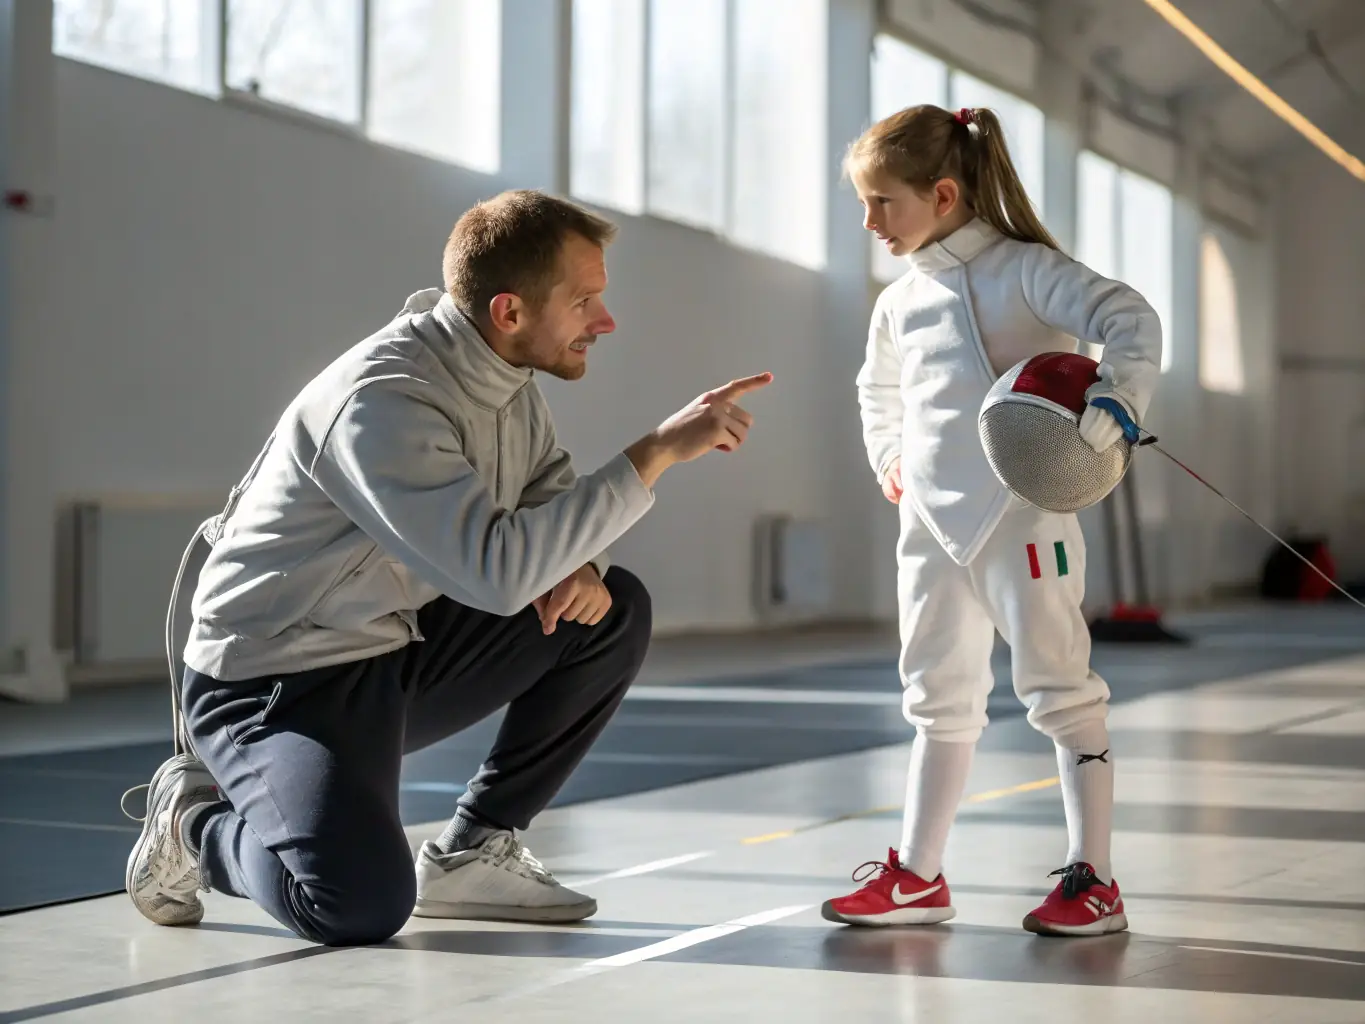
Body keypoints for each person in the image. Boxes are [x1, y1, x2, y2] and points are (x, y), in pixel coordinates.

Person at [124, 188, 773, 947]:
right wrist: (656, 450)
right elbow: (493, 576)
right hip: (273, 683)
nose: (605, 320)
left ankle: (471, 851)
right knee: (355, 905)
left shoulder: (505, 382)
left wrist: (587, 564)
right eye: (585, 301)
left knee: (611, 606)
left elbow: (552, 500)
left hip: (391, 654)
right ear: (509, 312)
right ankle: (195, 827)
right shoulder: (384, 401)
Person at [821, 106, 1161, 936]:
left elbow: (1129, 319)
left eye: (882, 203)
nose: (868, 223)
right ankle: (919, 877)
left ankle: (1096, 883)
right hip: (931, 527)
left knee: (1060, 689)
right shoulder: (899, 299)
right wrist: (890, 456)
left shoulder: (1025, 270)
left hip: (1024, 518)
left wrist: (1115, 400)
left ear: (941, 193)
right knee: (936, 697)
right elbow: (879, 391)